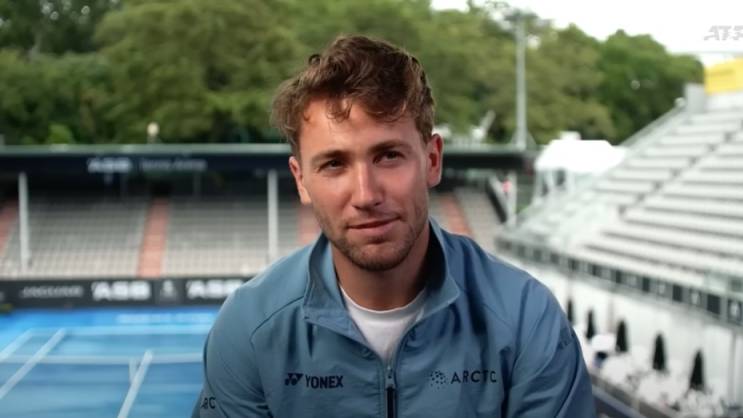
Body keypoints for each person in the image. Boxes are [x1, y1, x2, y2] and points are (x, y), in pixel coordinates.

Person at [193, 35, 595, 418]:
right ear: (301, 180)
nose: (366, 194)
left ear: (432, 160)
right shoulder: (249, 327)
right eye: (334, 164)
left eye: (388, 156)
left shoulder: (526, 319)